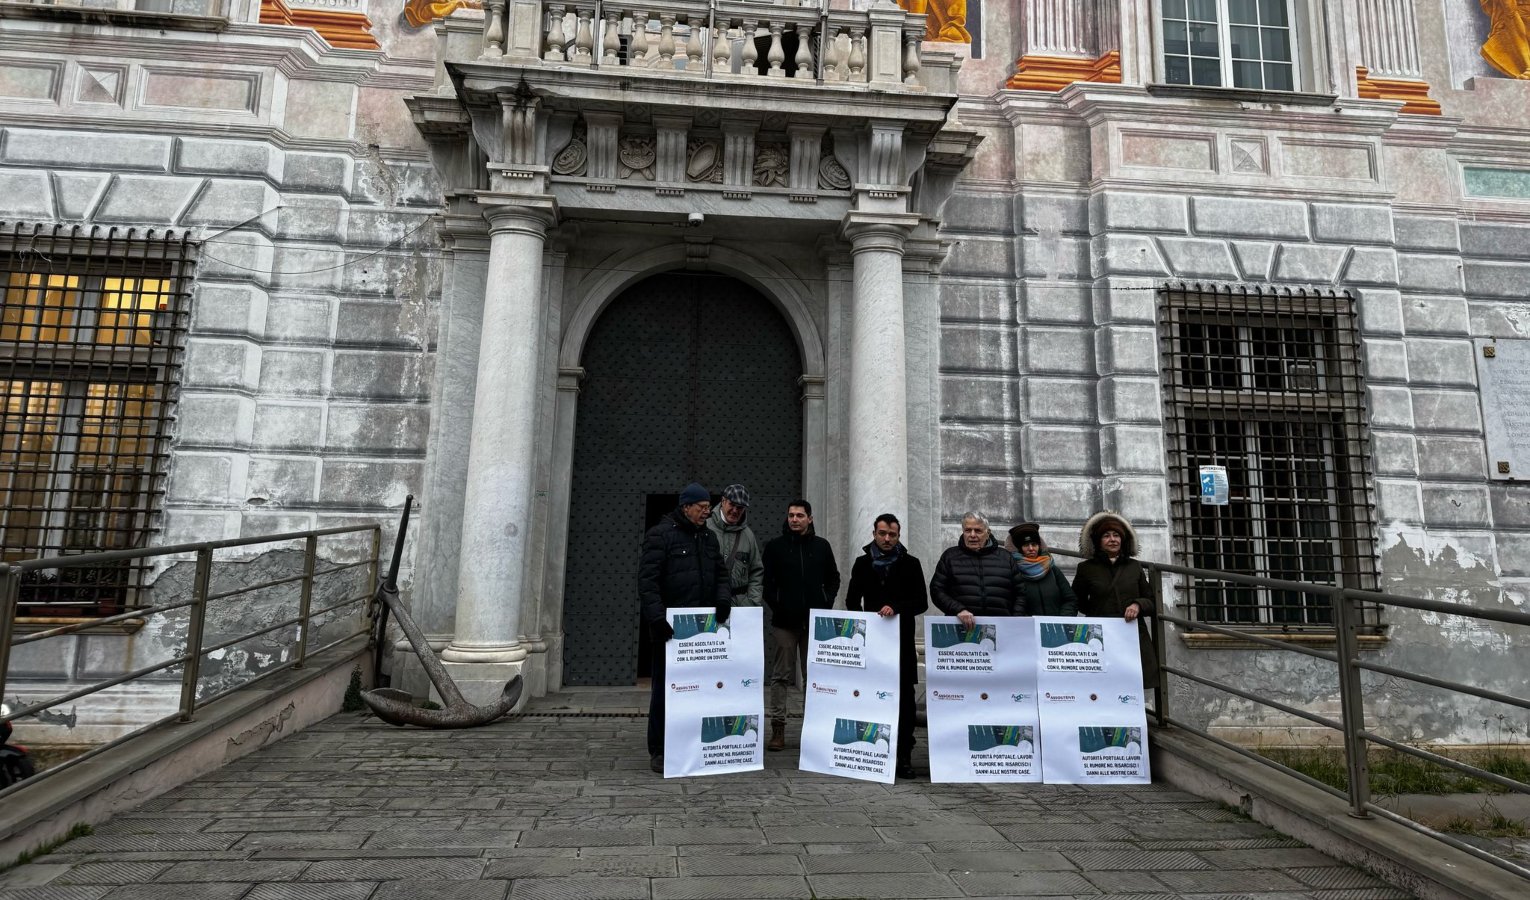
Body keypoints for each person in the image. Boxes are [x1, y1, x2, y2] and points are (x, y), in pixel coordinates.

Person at [638, 482, 732, 774]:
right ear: (686, 506)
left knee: (700, 691)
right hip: (669, 632)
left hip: (702, 634)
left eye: (708, 508)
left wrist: (723, 599)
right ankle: (660, 750)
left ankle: (693, 744)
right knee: (665, 691)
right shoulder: (660, 535)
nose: (707, 513)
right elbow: (648, 581)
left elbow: (720, 574)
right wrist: (657, 618)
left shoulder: (708, 538)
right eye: (702, 508)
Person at [845, 513, 927, 779]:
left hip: (901, 642)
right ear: (874, 534)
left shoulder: (911, 564)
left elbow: (921, 602)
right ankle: (871, 752)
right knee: (871, 696)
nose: (887, 539)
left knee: (904, 699)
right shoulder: (862, 563)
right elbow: (851, 600)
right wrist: (865, 626)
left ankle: (903, 755)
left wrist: (897, 609)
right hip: (872, 643)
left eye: (892, 534)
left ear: (898, 535)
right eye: (883, 534)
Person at [761, 499, 840, 752]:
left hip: (814, 623)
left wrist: (825, 604)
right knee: (780, 676)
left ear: (810, 518)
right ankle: (778, 728)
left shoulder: (822, 546)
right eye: (791, 515)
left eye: (800, 515)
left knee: (813, 677)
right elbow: (767, 583)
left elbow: (833, 578)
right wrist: (778, 605)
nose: (794, 519)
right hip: (785, 622)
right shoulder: (775, 547)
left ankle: (811, 729)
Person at [1072, 511, 1158, 687]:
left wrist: (1138, 605)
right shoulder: (1086, 568)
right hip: (1100, 636)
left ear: (1123, 539)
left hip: (1131, 634)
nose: (1112, 539)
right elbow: (1077, 600)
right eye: (1106, 535)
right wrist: (1098, 613)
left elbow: (1151, 601)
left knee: (1131, 681)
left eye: (1116, 535)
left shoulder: (1134, 567)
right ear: (1098, 541)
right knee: (1103, 683)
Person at [930, 512, 1022, 625]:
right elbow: (937, 590)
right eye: (968, 530)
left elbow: (1021, 593)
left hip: (1002, 627)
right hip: (962, 628)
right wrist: (958, 610)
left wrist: (1016, 619)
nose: (972, 535)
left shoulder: (1006, 557)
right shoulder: (950, 557)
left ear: (988, 533)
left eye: (978, 531)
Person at [705, 483, 764, 608]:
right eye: (732, 504)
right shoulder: (705, 528)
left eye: (740, 507)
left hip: (740, 607)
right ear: (723, 501)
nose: (735, 511)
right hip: (709, 603)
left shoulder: (748, 535)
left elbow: (756, 571)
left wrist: (751, 602)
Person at [1007, 522, 1078, 617]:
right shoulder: (1013, 572)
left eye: (1034, 544)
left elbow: (1070, 599)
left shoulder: (1052, 570)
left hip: (1056, 627)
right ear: (1019, 549)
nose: (1031, 548)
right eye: (1026, 545)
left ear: (1039, 546)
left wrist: (1062, 619)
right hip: (1029, 628)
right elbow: (1010, 604)